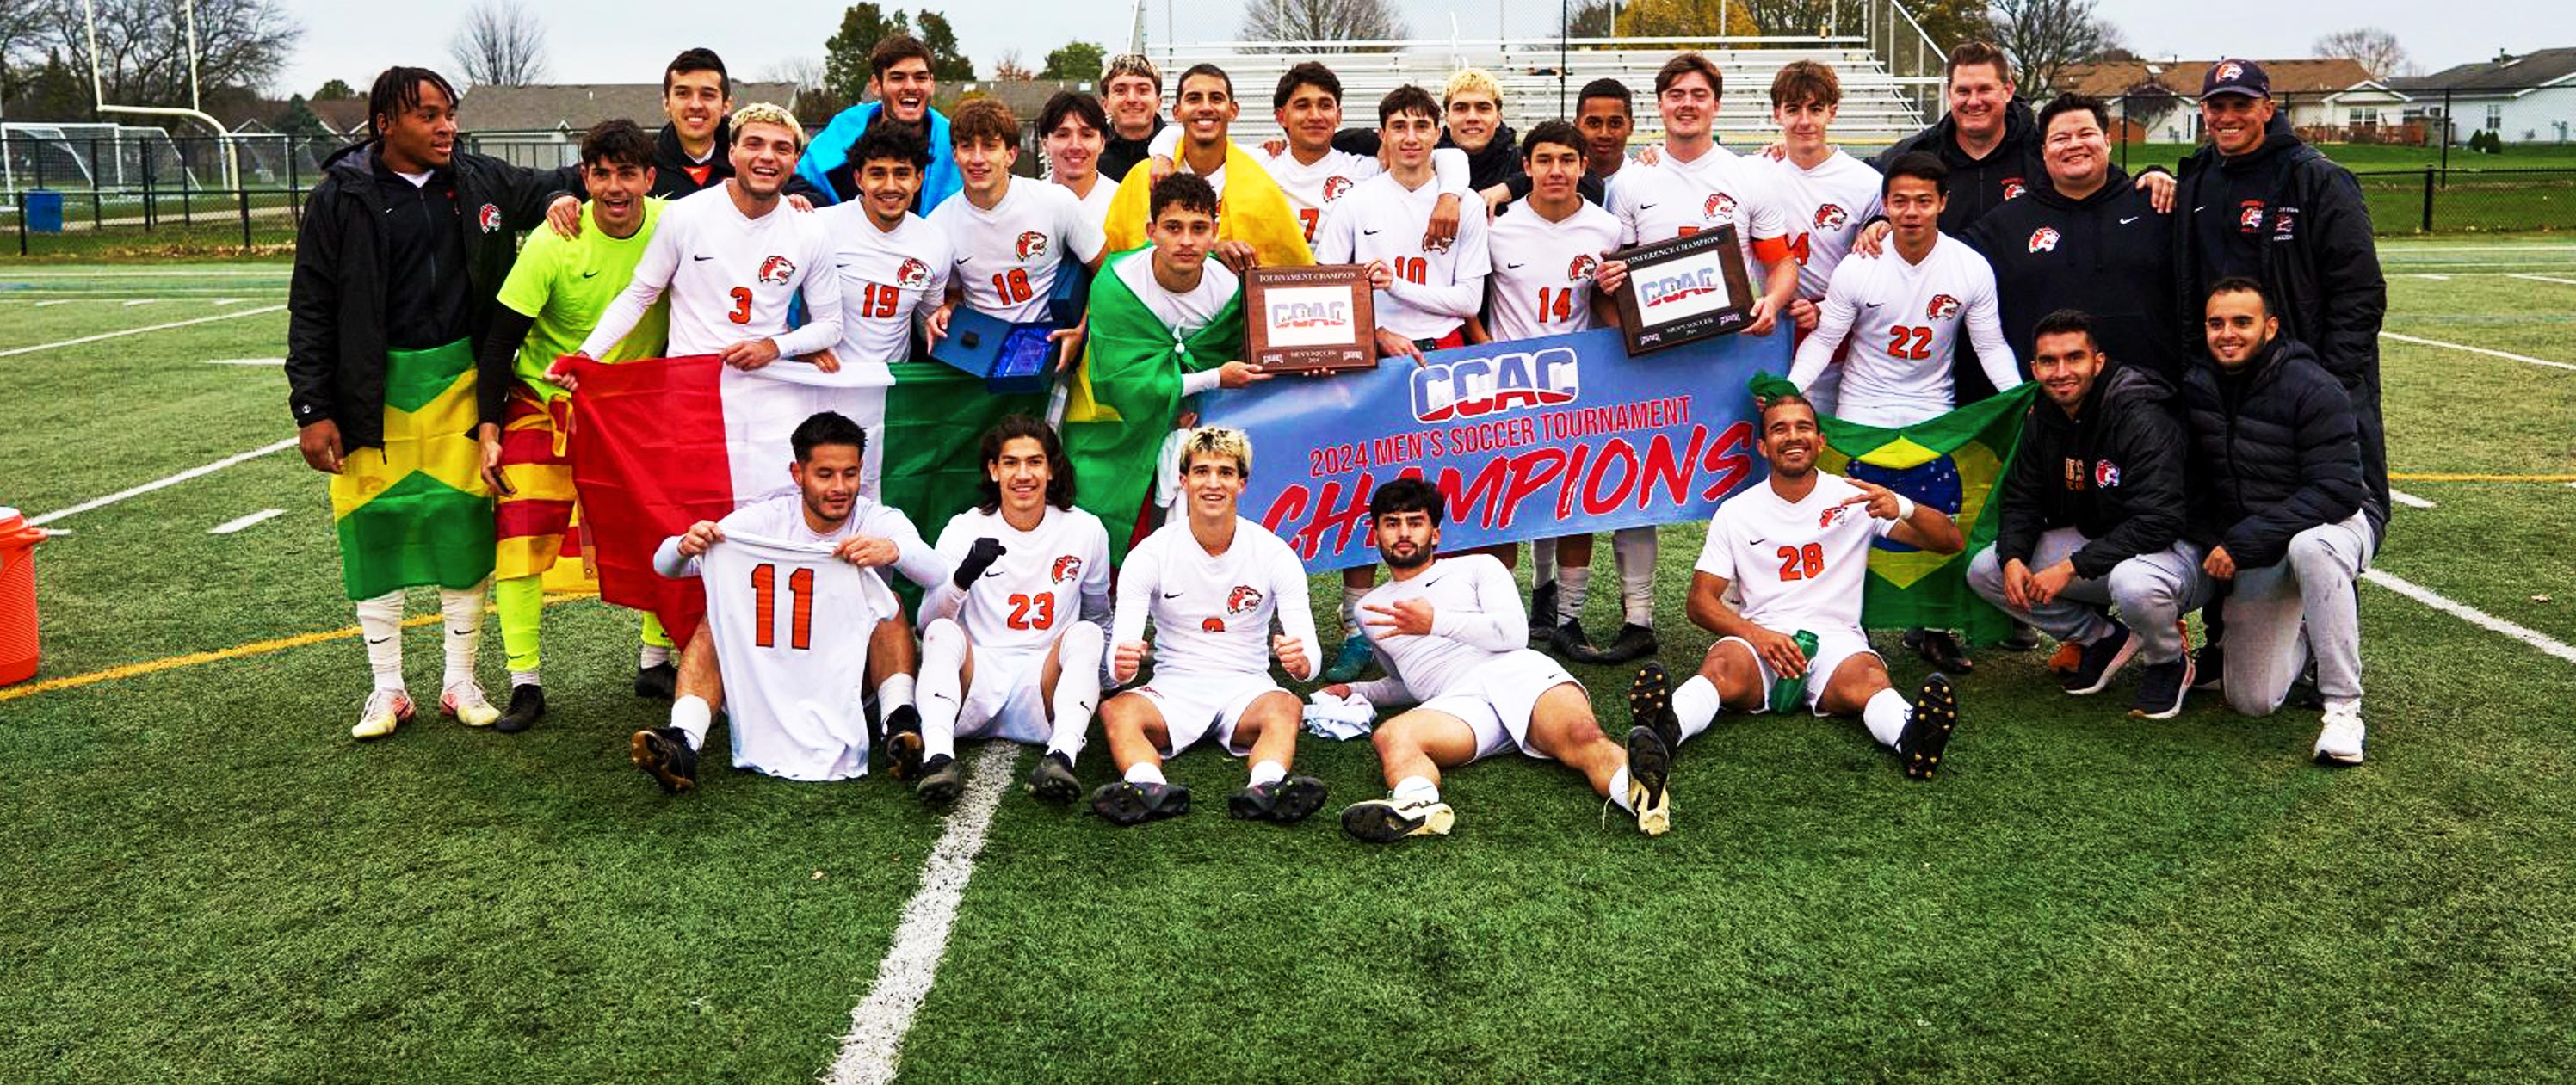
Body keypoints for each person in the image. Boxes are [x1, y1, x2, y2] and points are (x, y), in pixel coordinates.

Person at [287, 65, 581, 740]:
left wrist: (567, 195)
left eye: (448, 111)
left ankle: (460, 680)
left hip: (461, 383)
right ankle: (386, 688)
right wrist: (312, 406)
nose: (445, 124)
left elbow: (584, 179)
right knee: (376, 528)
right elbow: (311, 305)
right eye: (427, 114)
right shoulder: (341, 195)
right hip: (371, 390)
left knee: (461, 526)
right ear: (385, 122)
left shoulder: (481, 181)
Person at [1629, 393, 1967, 780]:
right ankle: (1666, 731)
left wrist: (1904, 506)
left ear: (1821, 442)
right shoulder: (1737, 510)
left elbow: (1949, 542)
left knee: (1869, 679)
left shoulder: (1856, 498)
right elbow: (1699, 603)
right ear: (1763, 446)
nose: (1793, 437)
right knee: (1721, 667)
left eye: (1803, 427)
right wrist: (1758, 635)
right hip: (1760, 638)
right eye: (1779, 429)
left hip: (1835, 639)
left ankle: (1912, 738)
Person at [1595, 52, 1801, 670]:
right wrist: (1609, 288)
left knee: (1742, 478)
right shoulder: (1631, 181)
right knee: (1636, 480)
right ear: (1659, 105)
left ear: (1715, 104)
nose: (1686, 103)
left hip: (1728, 357)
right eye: (1675, 94)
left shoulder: (1750, 178)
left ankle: (1748, 611)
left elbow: (1781, 259)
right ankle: (1637, 617)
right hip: (1653, 362)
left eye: (1698, 94)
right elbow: (1610, 267)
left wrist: (1773, 299)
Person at [1326, 478, 1672, 842]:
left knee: (1582, 737)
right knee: (1392, 734)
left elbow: (1513, 634)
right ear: (1376, 534)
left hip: (1517, 672)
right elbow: (1407, 682)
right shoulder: (1368, 609)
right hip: (1456, 703)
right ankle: (1418, 806)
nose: (1404, 533)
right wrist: (1358, 689)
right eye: (1392, 524)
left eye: (1415, 522)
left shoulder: (1478, 567)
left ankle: (1639, 797)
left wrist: (1435, 623)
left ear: (1436, 533)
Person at [475, 119, 674, 731]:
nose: (615, 187)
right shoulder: (552, 240)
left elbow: (755, 208)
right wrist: (489, 430)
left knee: (661, 529)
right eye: (601, 174)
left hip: (636, 404)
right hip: (544, 399)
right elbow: (500, 339)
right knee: (520, 531)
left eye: (627, 173)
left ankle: (655, 659)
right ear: (584, 178)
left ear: (649, 178)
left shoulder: (678, 227)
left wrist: (803, 200)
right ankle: (524, 681)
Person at [1788, 151, 2019, 675]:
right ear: (1885, 205)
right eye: (1900, 201)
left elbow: (1990, 345)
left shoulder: (1968, 266)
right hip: (1861, 411)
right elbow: (1826, 339)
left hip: (1932, 414)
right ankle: (1852, 622)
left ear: (1942, 203)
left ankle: (1934, 630)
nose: (1911, 212)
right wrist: (1791, 392)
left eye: (1923, 201)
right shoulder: (1859, 266)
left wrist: (2019, 398)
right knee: (1852, 522)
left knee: (1936, 520)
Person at [633, 412, 951, 790]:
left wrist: (894, 550)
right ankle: (684, 740)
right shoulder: (765, 520)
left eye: (850, 474)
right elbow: (664, 565)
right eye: (825, 474)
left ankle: (899, 725)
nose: (839, 487)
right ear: (798, 474)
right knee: (717, 615)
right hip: (770, 675)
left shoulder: (878, 519)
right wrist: (685, 545)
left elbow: (937, 573)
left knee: (890, 603)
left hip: (848, 678)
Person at [2172, 59, 2388, 531]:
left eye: (2241, 104)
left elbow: (2361, 291)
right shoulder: (2196, 177)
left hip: (2299, 381)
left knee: (2318, 528)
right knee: (2233, 520)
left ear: (2268, 108)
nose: (2227, 116)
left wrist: (2327, 382)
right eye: (2216, 106)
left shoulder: (2317, 178)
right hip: (2223, 384)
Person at [1966, 310, 2202, 719]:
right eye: (2049, 361)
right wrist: (2015, 557)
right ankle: (2102, 638)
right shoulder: (2044, 411)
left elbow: (2160, 519)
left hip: (2176, 553)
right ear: (2034, 368)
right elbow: (2022, 497)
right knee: (1987, 569)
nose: (2061, 372)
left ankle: (2168, 661)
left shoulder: (2139, 413)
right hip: (2104, 543)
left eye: (2073, 358)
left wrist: (2072, 567)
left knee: (2135, 585)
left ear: (2098, 361)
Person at [2179, 279, 2378, 765]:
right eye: (2217, 323)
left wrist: (2241, 541)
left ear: (2270, 327)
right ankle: (2306, 639)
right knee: (2251, 701)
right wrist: (2219, 539)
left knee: (2312, 549)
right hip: (2263, 541)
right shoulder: (2198, 386)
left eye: (2242, 322)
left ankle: (2343, 708)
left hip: (2338, 521)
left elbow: (2336, 491)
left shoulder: (2312, 384)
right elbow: (2196, 486)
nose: (2228, 333)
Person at [1092, 427, 1325, 826]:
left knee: (1286, 705)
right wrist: (1123, 662)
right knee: (1116, 710)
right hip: (1173, 687)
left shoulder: (1274, 553)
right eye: (1201, 472)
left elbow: (1309, 654)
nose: (1213, 483)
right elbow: (1120, 650)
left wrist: (1303, 662)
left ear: (1242, 483)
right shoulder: (1151, 553)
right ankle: (1147, 786)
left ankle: (1266, 786)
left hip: (1247, 685)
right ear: (1183, 481)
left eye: (1225, 472)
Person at [1480, 120, 1627, 660]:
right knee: (1501, 505)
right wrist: (1486, 358)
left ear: (1584, 167)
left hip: (1574, 387)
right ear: (1527, 168)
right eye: (1545, 160)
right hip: (1506, 389)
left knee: (1577, 505)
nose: (1556, 170)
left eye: (1567, 160)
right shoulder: (1497, 228)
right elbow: (1476, 303)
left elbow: (1611, 309)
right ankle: (1503, 621)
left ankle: (1569, 619)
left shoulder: (1606, 229)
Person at [1064, 173, 1266, 562]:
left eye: (1199, 228)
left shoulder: (1230, 286)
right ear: (1151, 230)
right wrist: (1212, 378)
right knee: (1098, 494)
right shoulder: (1117, 282)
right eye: (1173, 228)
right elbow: (1120, 381)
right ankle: (1104, 601)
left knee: (1208, 481)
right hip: (1116, 418)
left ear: (1215, 233)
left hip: (1201, 414)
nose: (1187, 241)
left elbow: (1247, 349)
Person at [912, 416, 1113, 805]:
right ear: (993, 470)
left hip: (1043, 682)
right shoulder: (963, 528)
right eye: (1011, 463)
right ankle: (938, 756)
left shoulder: (1087, 530)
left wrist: (1106, 679)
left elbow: (1099, 616)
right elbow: (925, 624)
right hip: (977, 679)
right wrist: (962, 578)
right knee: (942, 634)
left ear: (1051, 469)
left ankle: (1061, 757)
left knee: (1086, 634)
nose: (1023, 474)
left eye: (1034, 462)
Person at [1962, 94, 2184, 382]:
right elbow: (1942, 256)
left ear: (2107, 141)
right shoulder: (2007, 223)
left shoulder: (2157, 206)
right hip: (2047, 400)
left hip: (2149, 396)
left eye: (2086, 134)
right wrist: (1885, 227)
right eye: (2060, 138)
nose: (2074, 144)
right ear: (2043, 152)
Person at [813, 122, 954, 494]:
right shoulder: (820, 227)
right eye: (878, 173)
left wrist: (944, 316)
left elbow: (930, 319)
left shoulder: (934, 241)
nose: (890, 186)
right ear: (858, 177)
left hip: (890, 396)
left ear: (920, 178)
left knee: (881, 493)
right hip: (822, 390)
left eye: (902, 173)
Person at [924, 97, 1108, 376]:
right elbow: (954, 294)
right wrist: (946, 311)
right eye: (966, 147)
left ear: (1010, 153)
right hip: (980, 356)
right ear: (954, 154)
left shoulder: (1056, 201)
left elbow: (1107, 272)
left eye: (989, 146)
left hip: (1046, 350)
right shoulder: (938, 224)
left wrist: (1082, 328)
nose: (977, 158)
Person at [1313, 84, 1493, 362]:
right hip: (1377, 349)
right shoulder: (1355, 200)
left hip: (1445, 345)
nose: (1411, 138)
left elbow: (1470, 301)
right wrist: (1374, 331)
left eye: (1421, 126)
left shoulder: (1465, 203)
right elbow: (1326, 286)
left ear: (1437, 133)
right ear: (1382, 135)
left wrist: (1396, 285)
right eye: (1399, 127)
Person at [1098, 63, 1313, 268]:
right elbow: (1117, 261)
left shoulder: (1261, 182)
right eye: (1194, 98)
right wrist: (1213, 251)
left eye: (1216, 98)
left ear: (1233, 110)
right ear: (1177, 112)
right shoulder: (1143, 178)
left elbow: (1290, 270)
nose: (1205, 107)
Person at [1760, 60, 1885, 396]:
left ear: (1833, 111)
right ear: (1776, 113)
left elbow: (1882, 275)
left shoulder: (1867, 184)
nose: (1804, 121)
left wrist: (1828, 310)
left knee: (1826, 437)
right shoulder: (1752, 172)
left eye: (1815, 109)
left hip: (1833, 335)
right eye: (1793, 109)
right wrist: (1653, 155)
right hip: (1765, 329)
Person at [794, 34, 961, 210]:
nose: (911, 86)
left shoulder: (953, 140)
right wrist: (803, 200)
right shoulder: (844, 129)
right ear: (876, 85)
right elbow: (805, 181)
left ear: (932, 84)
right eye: (898, 77)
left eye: (920, 77)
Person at [648, 46, 819, 202]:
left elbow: (815, 198)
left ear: (726, 105)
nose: (695, 105)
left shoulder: (751, 154)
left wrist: (797, 200)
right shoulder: (645, 165)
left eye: (707, 95)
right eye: (683, 94)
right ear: (666, 103)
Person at [1039, 90, 1118, 228]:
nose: (1075, 146)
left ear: (1102, 143)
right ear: (1045, 143)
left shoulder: (1123, 203)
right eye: (1063, 135)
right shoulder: (1027, 206)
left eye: (1086, 135)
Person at [1096, 52, 1168, 187]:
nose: (1132, 99)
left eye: (1142, 90)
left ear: (1158, 102)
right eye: (1120, 90)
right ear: (1105, 104)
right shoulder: (1091, 153)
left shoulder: (1180, 149)